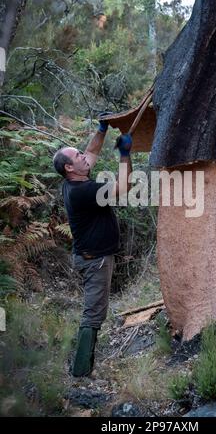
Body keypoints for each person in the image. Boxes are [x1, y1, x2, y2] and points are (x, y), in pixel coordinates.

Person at [53, 119, 133, 377]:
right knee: (93, 314)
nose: (83, 155)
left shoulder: (73, 181)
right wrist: (124, 156)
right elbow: (124, 187)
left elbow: (92, 152)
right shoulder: (84, 191)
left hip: (89, 256)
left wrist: (102, 130)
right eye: (77, 155)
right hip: (95, 260)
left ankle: (83, 367)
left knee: (95, 310)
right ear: (69, 167)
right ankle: (81, 372)